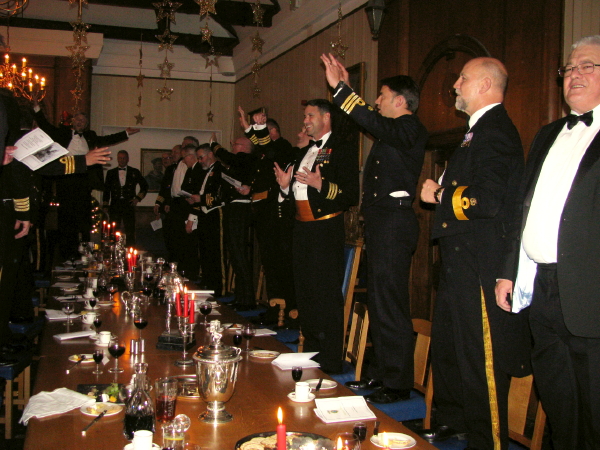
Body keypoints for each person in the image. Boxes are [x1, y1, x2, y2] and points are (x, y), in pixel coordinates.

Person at [419, 57, 530, 450]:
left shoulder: (496, 130)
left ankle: (487, 440)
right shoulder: (475, 132)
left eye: (462, 78)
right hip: (459, 259)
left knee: (481, 359)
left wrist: (440, 194)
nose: (455, 85)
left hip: (480, 261)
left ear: (485, 85)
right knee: (451, 347)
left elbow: (489, 199)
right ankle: (453, 421)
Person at [495, 35, 600, 450]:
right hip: (543, 289)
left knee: (593, 410)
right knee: (558, 404)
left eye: (588, 66)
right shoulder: (548, 133)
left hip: (590, 294)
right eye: (569, 68)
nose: (575, 75)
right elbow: (522, 209)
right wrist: (508, 271)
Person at [322, 53, 428, 403]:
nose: (377, 102)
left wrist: (342, 90)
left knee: (391, 303)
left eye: (382, 95)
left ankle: (397, 383)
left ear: (400, 101)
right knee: (380, 303)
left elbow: (371, 119)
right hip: (383, 224)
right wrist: (345, 89)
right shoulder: (392, 132)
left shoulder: (410, 128)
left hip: (395, 223)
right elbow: (368, 118)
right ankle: (382, 374)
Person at [274, 99, 359, 373]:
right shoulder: (304, 152)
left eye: (310, 115)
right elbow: (295, 197)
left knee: (326, 296)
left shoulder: (342, 148)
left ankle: (330, 360)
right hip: (302, 230)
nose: (305, 121)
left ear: (326, 117)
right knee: (306, 294)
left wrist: (321, 184)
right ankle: (311, 354)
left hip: (325, 230)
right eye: (305, 116)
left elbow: (351, 194)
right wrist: (285, 187)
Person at [32, 97, 140, 259]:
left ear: (86, 124)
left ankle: (85, 254)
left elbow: (106, 140)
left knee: (83, 218)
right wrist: (37, 109)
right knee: (66, 219)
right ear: (73, 121)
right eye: (77, 119)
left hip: (83, 181)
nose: (80, 122)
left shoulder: (91, 136)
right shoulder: (62, 133)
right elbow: (46, 127)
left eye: (83, 120)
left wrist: (125, 133)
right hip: (65, 179)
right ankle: (66, 255)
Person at [212, 135, 257, 310]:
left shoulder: (245, 158)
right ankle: (240, 297)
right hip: (233, 207)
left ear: (245, 147)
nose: (232, 147)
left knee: (239, 253)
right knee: (235, 253)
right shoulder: (239, 162)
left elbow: (228, 157)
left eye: (235, 144)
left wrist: (215, 145)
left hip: (240, 208)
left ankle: (247, 300)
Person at [186, 144, 226, 295]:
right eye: (198, 158)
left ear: (210, 155)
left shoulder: (220, 169)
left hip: (215, 213)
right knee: (205, 250)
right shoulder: (206, 171)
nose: (200, 161)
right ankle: (208, 281)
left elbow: (220, 195)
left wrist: (201, 199)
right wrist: (196, 200)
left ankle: (218, 287)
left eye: (201, 157)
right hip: (204, 212)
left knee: (215, 251)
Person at [103, 150, 148, 246]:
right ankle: (113, 249)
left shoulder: (134, 172)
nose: (122, 160)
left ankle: (130, 250)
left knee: (130, 230)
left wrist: (137, 198)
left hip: (128, 204)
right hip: (115, 204)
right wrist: (105, 204)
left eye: (124, 158)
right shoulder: (111, 173)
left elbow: (145, 186)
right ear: (117, 159)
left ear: (127, 159)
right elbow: (106, 190)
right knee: (113, 229)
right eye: (120, 158)